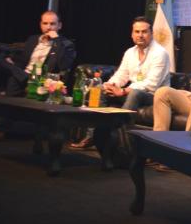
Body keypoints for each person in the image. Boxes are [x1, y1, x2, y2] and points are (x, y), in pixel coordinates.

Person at [69, 17, 170, 150]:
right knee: (99, 89)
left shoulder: (160, 53)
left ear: (151, 33)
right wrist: (110, 85)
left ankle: (120, 141)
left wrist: (123, 91)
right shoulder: (130, 52)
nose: (140, 35)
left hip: (153, 96)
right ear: (132, 34)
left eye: (144, 32)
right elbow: (121, 75)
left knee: (134, 93)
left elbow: (152, 84)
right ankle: (93, 136)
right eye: (137, 31)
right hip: (133, 92)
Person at [0, 10, 76, 97]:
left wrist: (57, 41)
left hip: (41, 81)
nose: (48, 27)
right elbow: (22, 57)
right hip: (23, 76)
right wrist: (9, 58)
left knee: (16, 77)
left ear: (59, 25)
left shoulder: (66, 44)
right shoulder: (33, 39)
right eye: (45, 23)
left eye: (52, 24)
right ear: (40, 25)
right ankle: (21, 76)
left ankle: (21, 76)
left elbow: (63, 65)